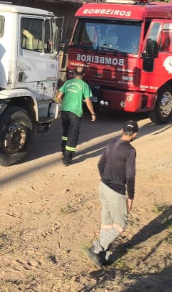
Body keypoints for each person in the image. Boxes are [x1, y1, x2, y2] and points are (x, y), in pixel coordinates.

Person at [84, 120, 138, 268]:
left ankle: (103, 256)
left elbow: (100, 164)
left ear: (122, 130)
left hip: (103, 187)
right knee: (120, 225)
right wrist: (130, 196)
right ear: (134, 135)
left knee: (107, 223)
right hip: (116, 191)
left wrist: (105, 179)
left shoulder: (111, 143)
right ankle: (96, 249)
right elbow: (130, 175)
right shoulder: (130, 150)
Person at [55, 66, 95, 166]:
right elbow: (88, 102)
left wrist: (63, 104)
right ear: (84, 74)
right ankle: (67, 159)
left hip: (64, 111)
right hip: (75, 113)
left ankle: (63, 150)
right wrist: (93, 113)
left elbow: (58, 97)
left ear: (74, 73)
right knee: (73, 135)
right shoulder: (84, 85)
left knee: (66, 132)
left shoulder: (67, 83)